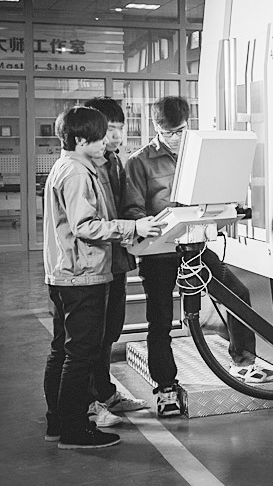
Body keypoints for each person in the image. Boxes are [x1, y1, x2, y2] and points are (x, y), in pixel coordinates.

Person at [121, 96, 273, 417]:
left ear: (188, 124)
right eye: (167, 132)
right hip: (159, 252)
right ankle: (166, 387)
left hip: (196, 245)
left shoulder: (200, 154)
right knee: (161, 319)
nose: (174, 138)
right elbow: (133, 209)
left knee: (238, 294)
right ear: (155, 127)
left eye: (179, 131)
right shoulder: (139, 162)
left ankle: (244, 363)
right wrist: (156, 222)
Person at [43, 106, 162, 449]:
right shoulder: (77, 173)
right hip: (82, 275)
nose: (107, 143)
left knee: (64, 351)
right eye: (100, 138)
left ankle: (58, 423)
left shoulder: (71, 166)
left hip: (67, 272)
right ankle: (74, 429)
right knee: (81, 354)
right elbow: (85, 226)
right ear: (80, 140)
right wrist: (133, 227)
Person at [81, 97, 150, 428]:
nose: (117, 136)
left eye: (120, 129)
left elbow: (124, 207)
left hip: (116, 261)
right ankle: (89, 403)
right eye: (110, 129)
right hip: (93, 266)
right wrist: (130, 228)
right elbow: (86, 224)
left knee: (110, 331)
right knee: (90, 338)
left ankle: (105, 393)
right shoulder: (84, 169)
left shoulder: (115, 163)